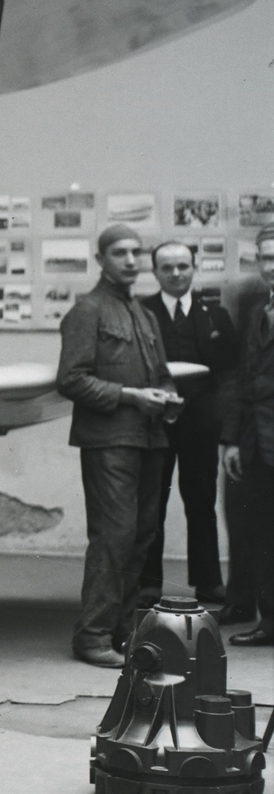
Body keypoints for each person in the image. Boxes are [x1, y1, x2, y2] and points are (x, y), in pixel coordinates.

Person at [56, 224, 178, 668]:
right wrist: (130, 397)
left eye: (136, 252)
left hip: (149, 437)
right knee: (114, 537)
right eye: (120, 253)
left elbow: (161, 373)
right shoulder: (88, 311)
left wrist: (165, 396)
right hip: (109, 441)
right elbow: (71, 379)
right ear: (101, 259)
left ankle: (124, 631)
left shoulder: (143, 315)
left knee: (141, 537)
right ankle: (92, 636)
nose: (130, 260)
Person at [138, 241, 238, 606]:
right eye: (167, 267)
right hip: (155, 423)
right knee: (152, 504)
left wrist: (223, 424)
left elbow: (227, 374)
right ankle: (148, 584)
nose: (176, 273)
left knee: (201, 503)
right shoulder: (141, 312)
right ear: (155, 272)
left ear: (194, 267)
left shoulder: (215, 316)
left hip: (200, 425)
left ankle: (209, 582)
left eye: (183, 266)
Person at [221, 224, 274, 647]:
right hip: (257, 442)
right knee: (260, 534)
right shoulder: (258, 310)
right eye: (267, 258)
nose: (272, 267)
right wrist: (233, 439)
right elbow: (243, 379)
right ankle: (270, 623)